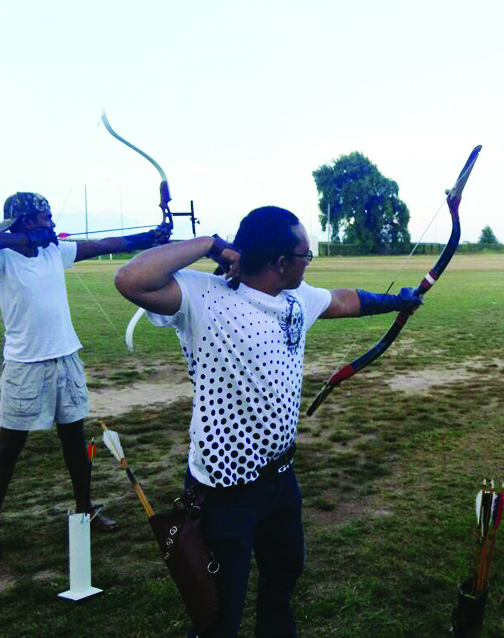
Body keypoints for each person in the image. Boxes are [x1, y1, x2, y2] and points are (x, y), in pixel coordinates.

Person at [114, 206, 422, 637]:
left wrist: (397, 302)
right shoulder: (204, 297)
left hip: (280, 480)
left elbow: (343, 300)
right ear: (281, 262)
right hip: (223, 492)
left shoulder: (297, 298)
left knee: (282, 583)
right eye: (305, 255)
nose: (308, 262)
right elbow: (130, 279)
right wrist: (210, 245)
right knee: (218, 613)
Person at [0, 192, 171, 563]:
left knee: (75, 441)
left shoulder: (53, 252)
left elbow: (107, 243)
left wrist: (149, 238)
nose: (52, 224)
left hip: (66, 358)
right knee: (8, 448)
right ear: (26, 222)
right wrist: (29, 239)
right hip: (25, 365)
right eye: (45, 217)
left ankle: (85, 509)